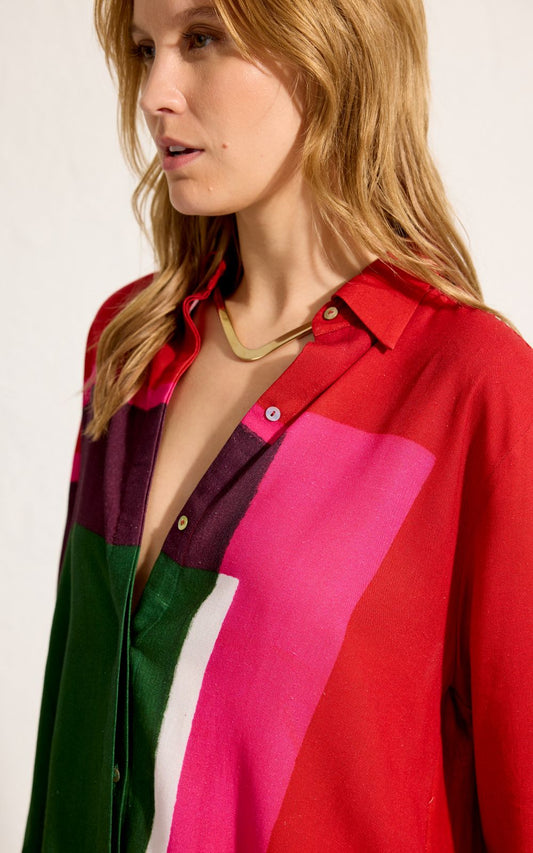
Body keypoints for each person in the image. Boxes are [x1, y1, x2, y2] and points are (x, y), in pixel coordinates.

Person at [24, 0, 533, 849]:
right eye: (145, 49)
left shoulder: (471, 389)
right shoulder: (131, 348)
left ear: (328, 49)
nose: (154, 93)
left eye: (202, 39)